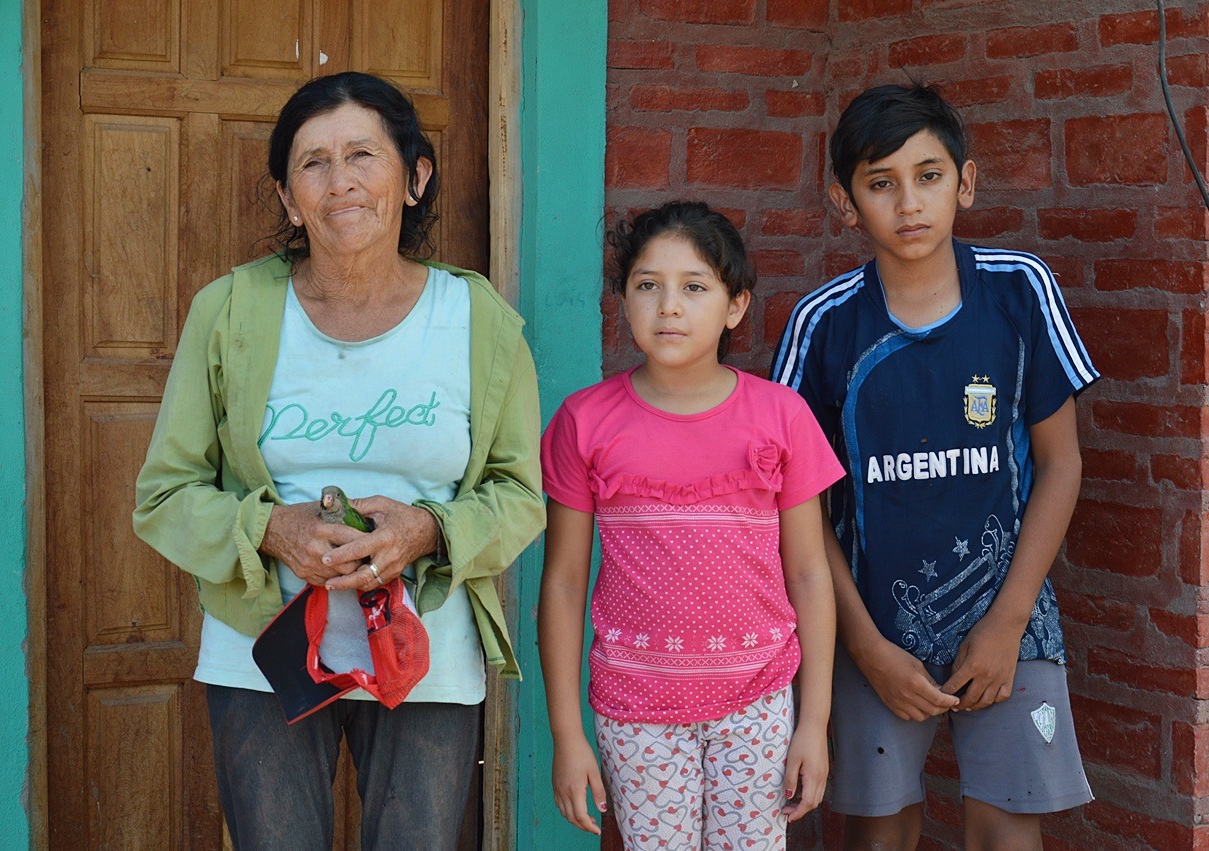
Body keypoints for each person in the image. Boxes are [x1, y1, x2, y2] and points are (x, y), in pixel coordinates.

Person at [132, 71, 545, 850]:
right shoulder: (229, 312)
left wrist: (428, 529)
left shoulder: (476, 320)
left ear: (414, 178)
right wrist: (271, 529)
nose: (340, 181)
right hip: (265, 652)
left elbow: (520, 494)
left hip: (425, 653)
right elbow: (165, 494)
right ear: (288, 198)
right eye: (313, 163)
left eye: (362, 155)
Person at [772, 83, 1098, 850]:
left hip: (1013, 618)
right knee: (877, 832)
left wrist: (1007, 622)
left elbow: (1061, 464)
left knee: (1007, 831)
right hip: (872, 627)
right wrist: (864, 646)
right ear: (844, 201)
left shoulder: (1019, 290)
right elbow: (797, 504)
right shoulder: (824, 324)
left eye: (928, 176)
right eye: (880, 183)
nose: (909, 202)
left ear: (965, 182)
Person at [539, 201, 844, 849]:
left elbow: (811, 575)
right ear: (624, 298)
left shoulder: (782, 416)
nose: (669, 306)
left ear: (736, 305)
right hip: (635, 707)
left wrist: (813, 722)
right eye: (648, 285)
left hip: (758, 701)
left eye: (695, 287)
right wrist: (567, 733)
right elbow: (563, 584)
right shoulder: (584, 421)